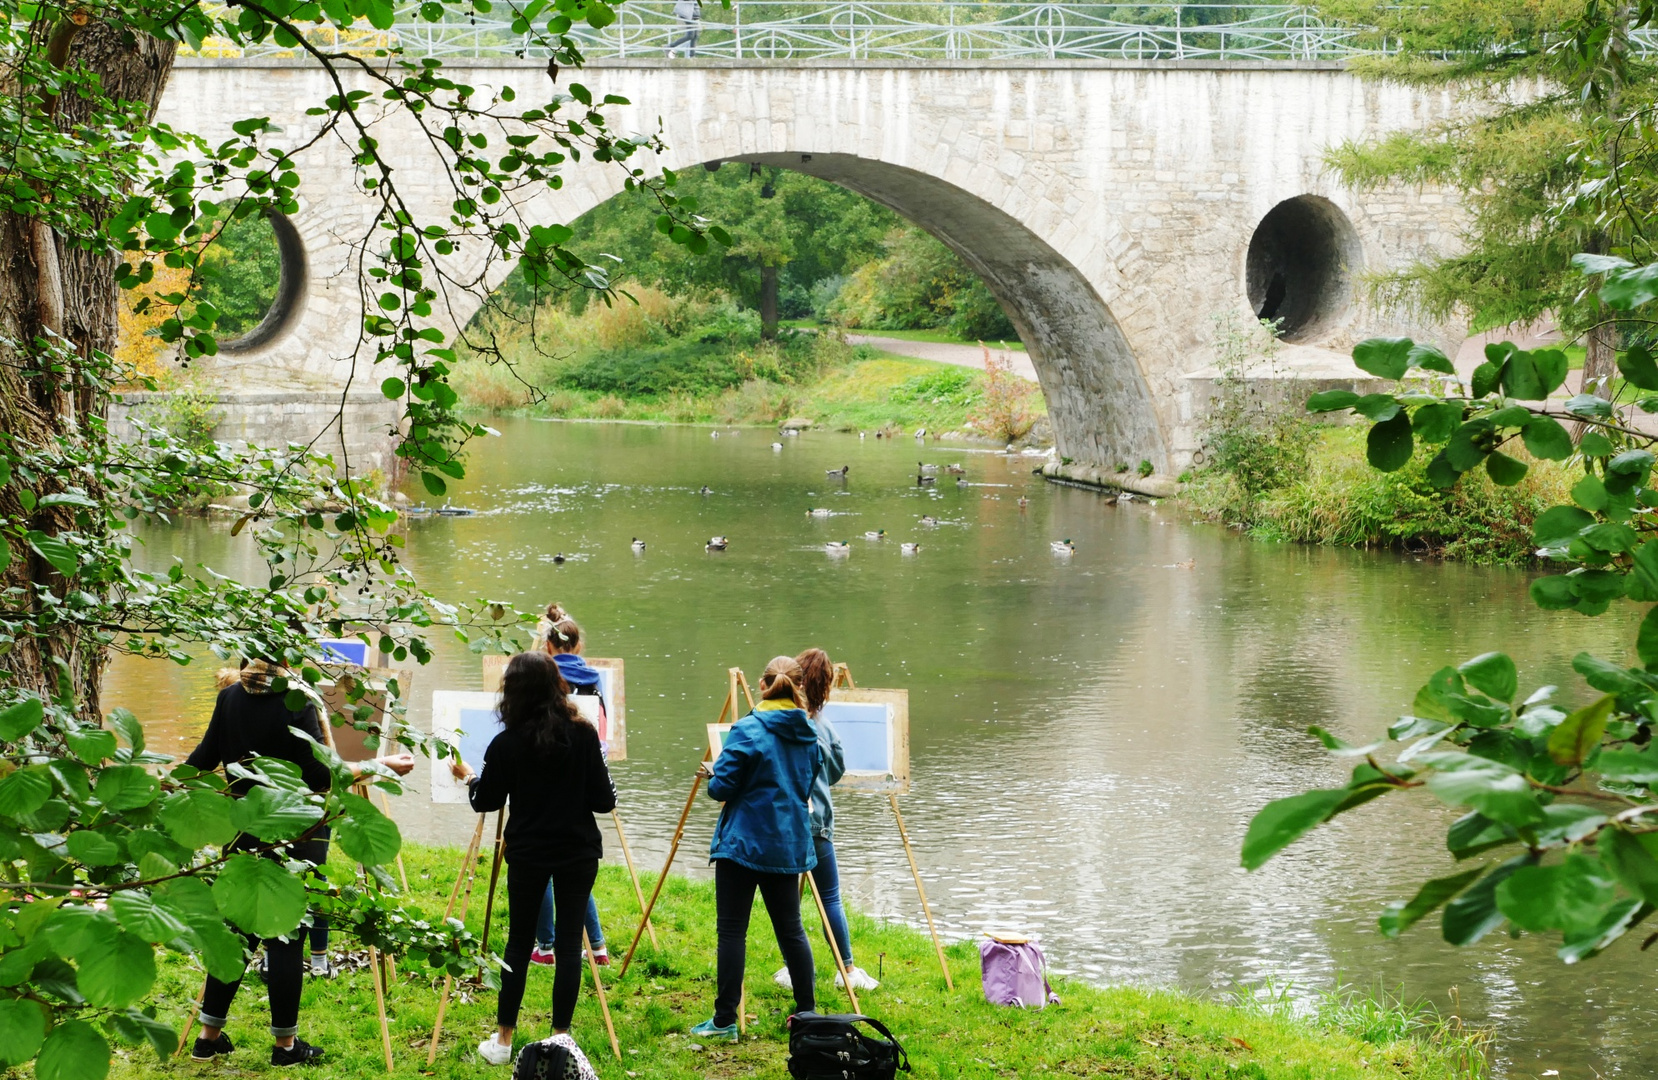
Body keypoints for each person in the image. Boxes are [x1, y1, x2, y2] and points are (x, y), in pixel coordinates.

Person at [188, 659, 415, 1067]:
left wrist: (167, 787)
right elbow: (321, 775)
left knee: (238, 929)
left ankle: (208, 1037)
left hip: (243, 824)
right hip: (297, 829)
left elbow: (205, 756)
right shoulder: (298, 701)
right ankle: (286, 1048)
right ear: (288, 657)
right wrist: (380, 766)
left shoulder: (229, 696)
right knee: (287, 934)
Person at [449, 651, 616, 1066]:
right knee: (568, 940)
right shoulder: (583, 734)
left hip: (528, 852)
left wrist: (470, 777)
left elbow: (483, 800)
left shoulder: (506, 742)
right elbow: (604, 800)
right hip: (577, 851)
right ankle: (561, 1039)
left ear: (513, 692)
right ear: (556, 685)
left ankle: (504, 1041)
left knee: (519, 941)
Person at [691, 656, 820, 1042]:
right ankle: (807, 1012)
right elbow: (806, 783)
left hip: (745, 842)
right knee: (792, 930)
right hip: (786, 843)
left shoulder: (747, 728)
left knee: (732, 931)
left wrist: (714, 774)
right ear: (797, 687)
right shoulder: (809, 733)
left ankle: (725, 1019)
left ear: (764, 686)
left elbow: (722, 789)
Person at [775, 649, 880, 993]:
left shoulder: (778, 719)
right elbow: (834, 773)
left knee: (788, 904)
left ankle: (794, 969)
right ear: (826, 687)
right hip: (818, 823)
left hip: (785, 823)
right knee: (830, 898)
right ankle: (846, 969)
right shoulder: (825, 726)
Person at [530, 603, 608, 967]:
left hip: (542, 778)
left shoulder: (539, 676)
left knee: (542, 862)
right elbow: (603, 731)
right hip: (584, 776)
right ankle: (596, 945)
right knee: (573, 867)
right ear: (577, 646)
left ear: (547, 646)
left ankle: (546, 946)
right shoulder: (594, 679)